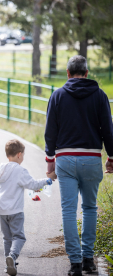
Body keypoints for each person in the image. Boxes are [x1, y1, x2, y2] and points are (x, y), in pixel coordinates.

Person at [45, 55, 113, 276]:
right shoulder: (100, 96)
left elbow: (50, 132)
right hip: (92, 158)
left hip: (64, 159)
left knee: (68, 209)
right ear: (86, 72)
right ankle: (88, 260)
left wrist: (49, 160)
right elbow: (108, 130)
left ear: (68, 73)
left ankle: (74, 264)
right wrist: (111, 157)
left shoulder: (57, 96)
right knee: (90, 208)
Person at [0, 139, 55, 276]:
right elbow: (33, 184)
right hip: (15, 210)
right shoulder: (20, 170)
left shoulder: (1, 169)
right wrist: (48, 180)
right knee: (19, 237)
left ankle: (8, 263)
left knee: (7, 238)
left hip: (1, 210)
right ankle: (13, 256)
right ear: (19, 155)